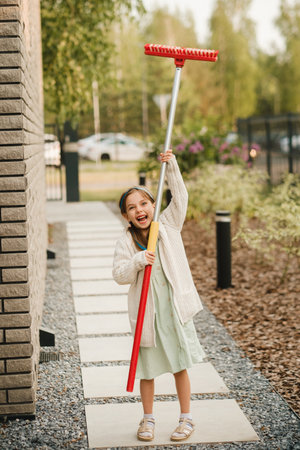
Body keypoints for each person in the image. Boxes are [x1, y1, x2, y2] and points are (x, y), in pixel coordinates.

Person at [112, 149, 206, 442]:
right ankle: (148, 418)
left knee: (180, 366)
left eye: (144, 203)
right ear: (126, 215)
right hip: (148, 316)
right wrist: (139, 261)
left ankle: (186, 418)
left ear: (153, 205)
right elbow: (119, 274)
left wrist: (172, 167)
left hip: (173, 312)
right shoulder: (126, 242)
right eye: (132, 207)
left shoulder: (167, 227)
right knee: (148, 370)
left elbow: (181, 199)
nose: (139, 210)